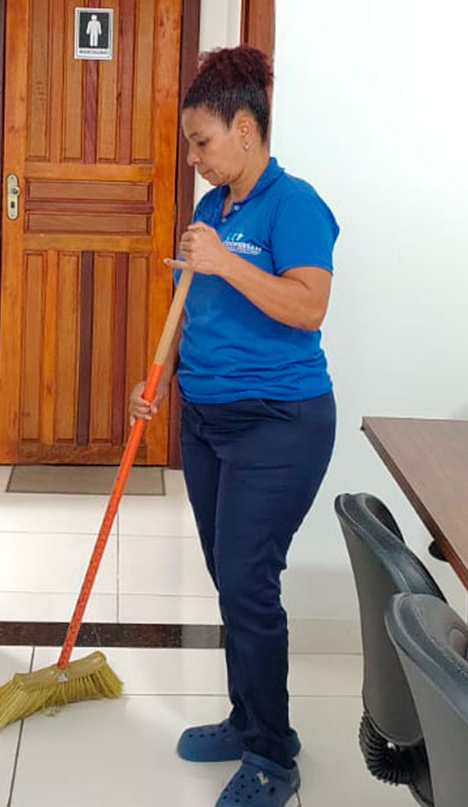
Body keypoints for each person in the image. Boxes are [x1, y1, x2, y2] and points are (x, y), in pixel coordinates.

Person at [129, 45, 339, 806]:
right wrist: (159, 377)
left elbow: (308, 306)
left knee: (249, 581)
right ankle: (248, 717)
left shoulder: (296, 205)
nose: (193, 158)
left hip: (280, 422)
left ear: (245, 130)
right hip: (205, 420)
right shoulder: (209, 211)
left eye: (202, 141)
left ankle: (273, 756)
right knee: (229, 577)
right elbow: (195, 304)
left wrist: (224, 262)